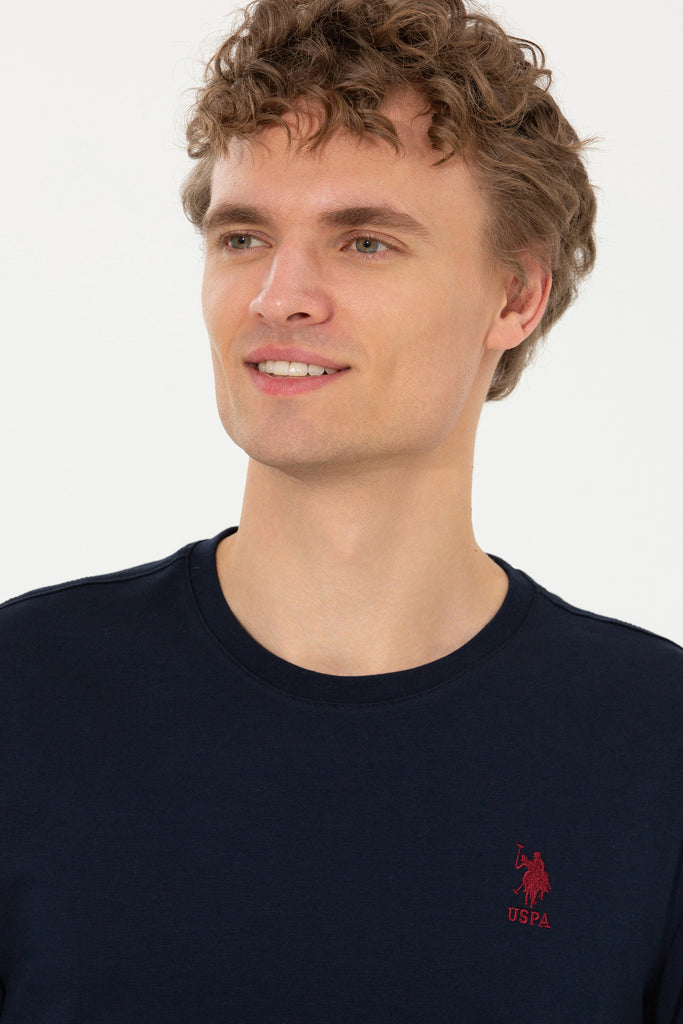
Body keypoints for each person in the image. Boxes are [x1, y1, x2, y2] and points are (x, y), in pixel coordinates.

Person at [0, 0, 680, 1020]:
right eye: (243, 236)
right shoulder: (25, 697)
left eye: (363, 242)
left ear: (514, 298)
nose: (277, 296)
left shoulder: (652, 746)